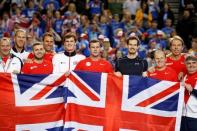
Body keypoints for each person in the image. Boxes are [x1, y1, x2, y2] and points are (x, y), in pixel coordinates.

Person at [181, 56, 197, 131]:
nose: (191, 65)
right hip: (182, 116)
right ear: (185, 65)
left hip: (195, 117)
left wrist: (192, 90)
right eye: (189, 63)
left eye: (194, 63)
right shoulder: (183, 77)